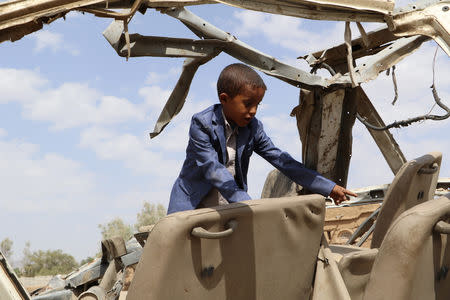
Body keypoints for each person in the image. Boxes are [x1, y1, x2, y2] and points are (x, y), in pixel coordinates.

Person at [167, 63, 356, 214]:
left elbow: (283, 161)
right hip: (193, 206)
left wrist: (328, 187)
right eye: (247, 104)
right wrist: (246, 202)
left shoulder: (253, 128)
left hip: (228, 208)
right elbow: (213, 169)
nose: (253, 111)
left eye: (257, 104)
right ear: (224, 99)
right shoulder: (202, 124)